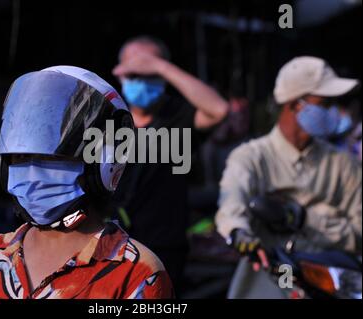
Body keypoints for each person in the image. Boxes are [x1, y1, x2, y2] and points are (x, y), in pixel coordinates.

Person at [0, 66, 174, 299]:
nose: (33, 171)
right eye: (22, 156)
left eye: (52, 156)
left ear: (104, 161)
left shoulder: (136, 274)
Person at [215, 56, 361, 298]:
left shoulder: (343, 165)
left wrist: (306, 218)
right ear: (295, 105)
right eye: (324, 103)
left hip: (332, 280)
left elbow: (359, 232)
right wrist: (240, 234)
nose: (333, 111)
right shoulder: (251, 158)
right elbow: (231, 208)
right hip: (268, 276)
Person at [111, 36, 228, 294]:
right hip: (110, 245)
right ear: (120, 74)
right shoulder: (108, 117)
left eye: (149, 72)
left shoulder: (178, 116)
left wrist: (160, 67)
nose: (141, 78)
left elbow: (218, 110)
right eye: (133, 71)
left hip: (162, 249)